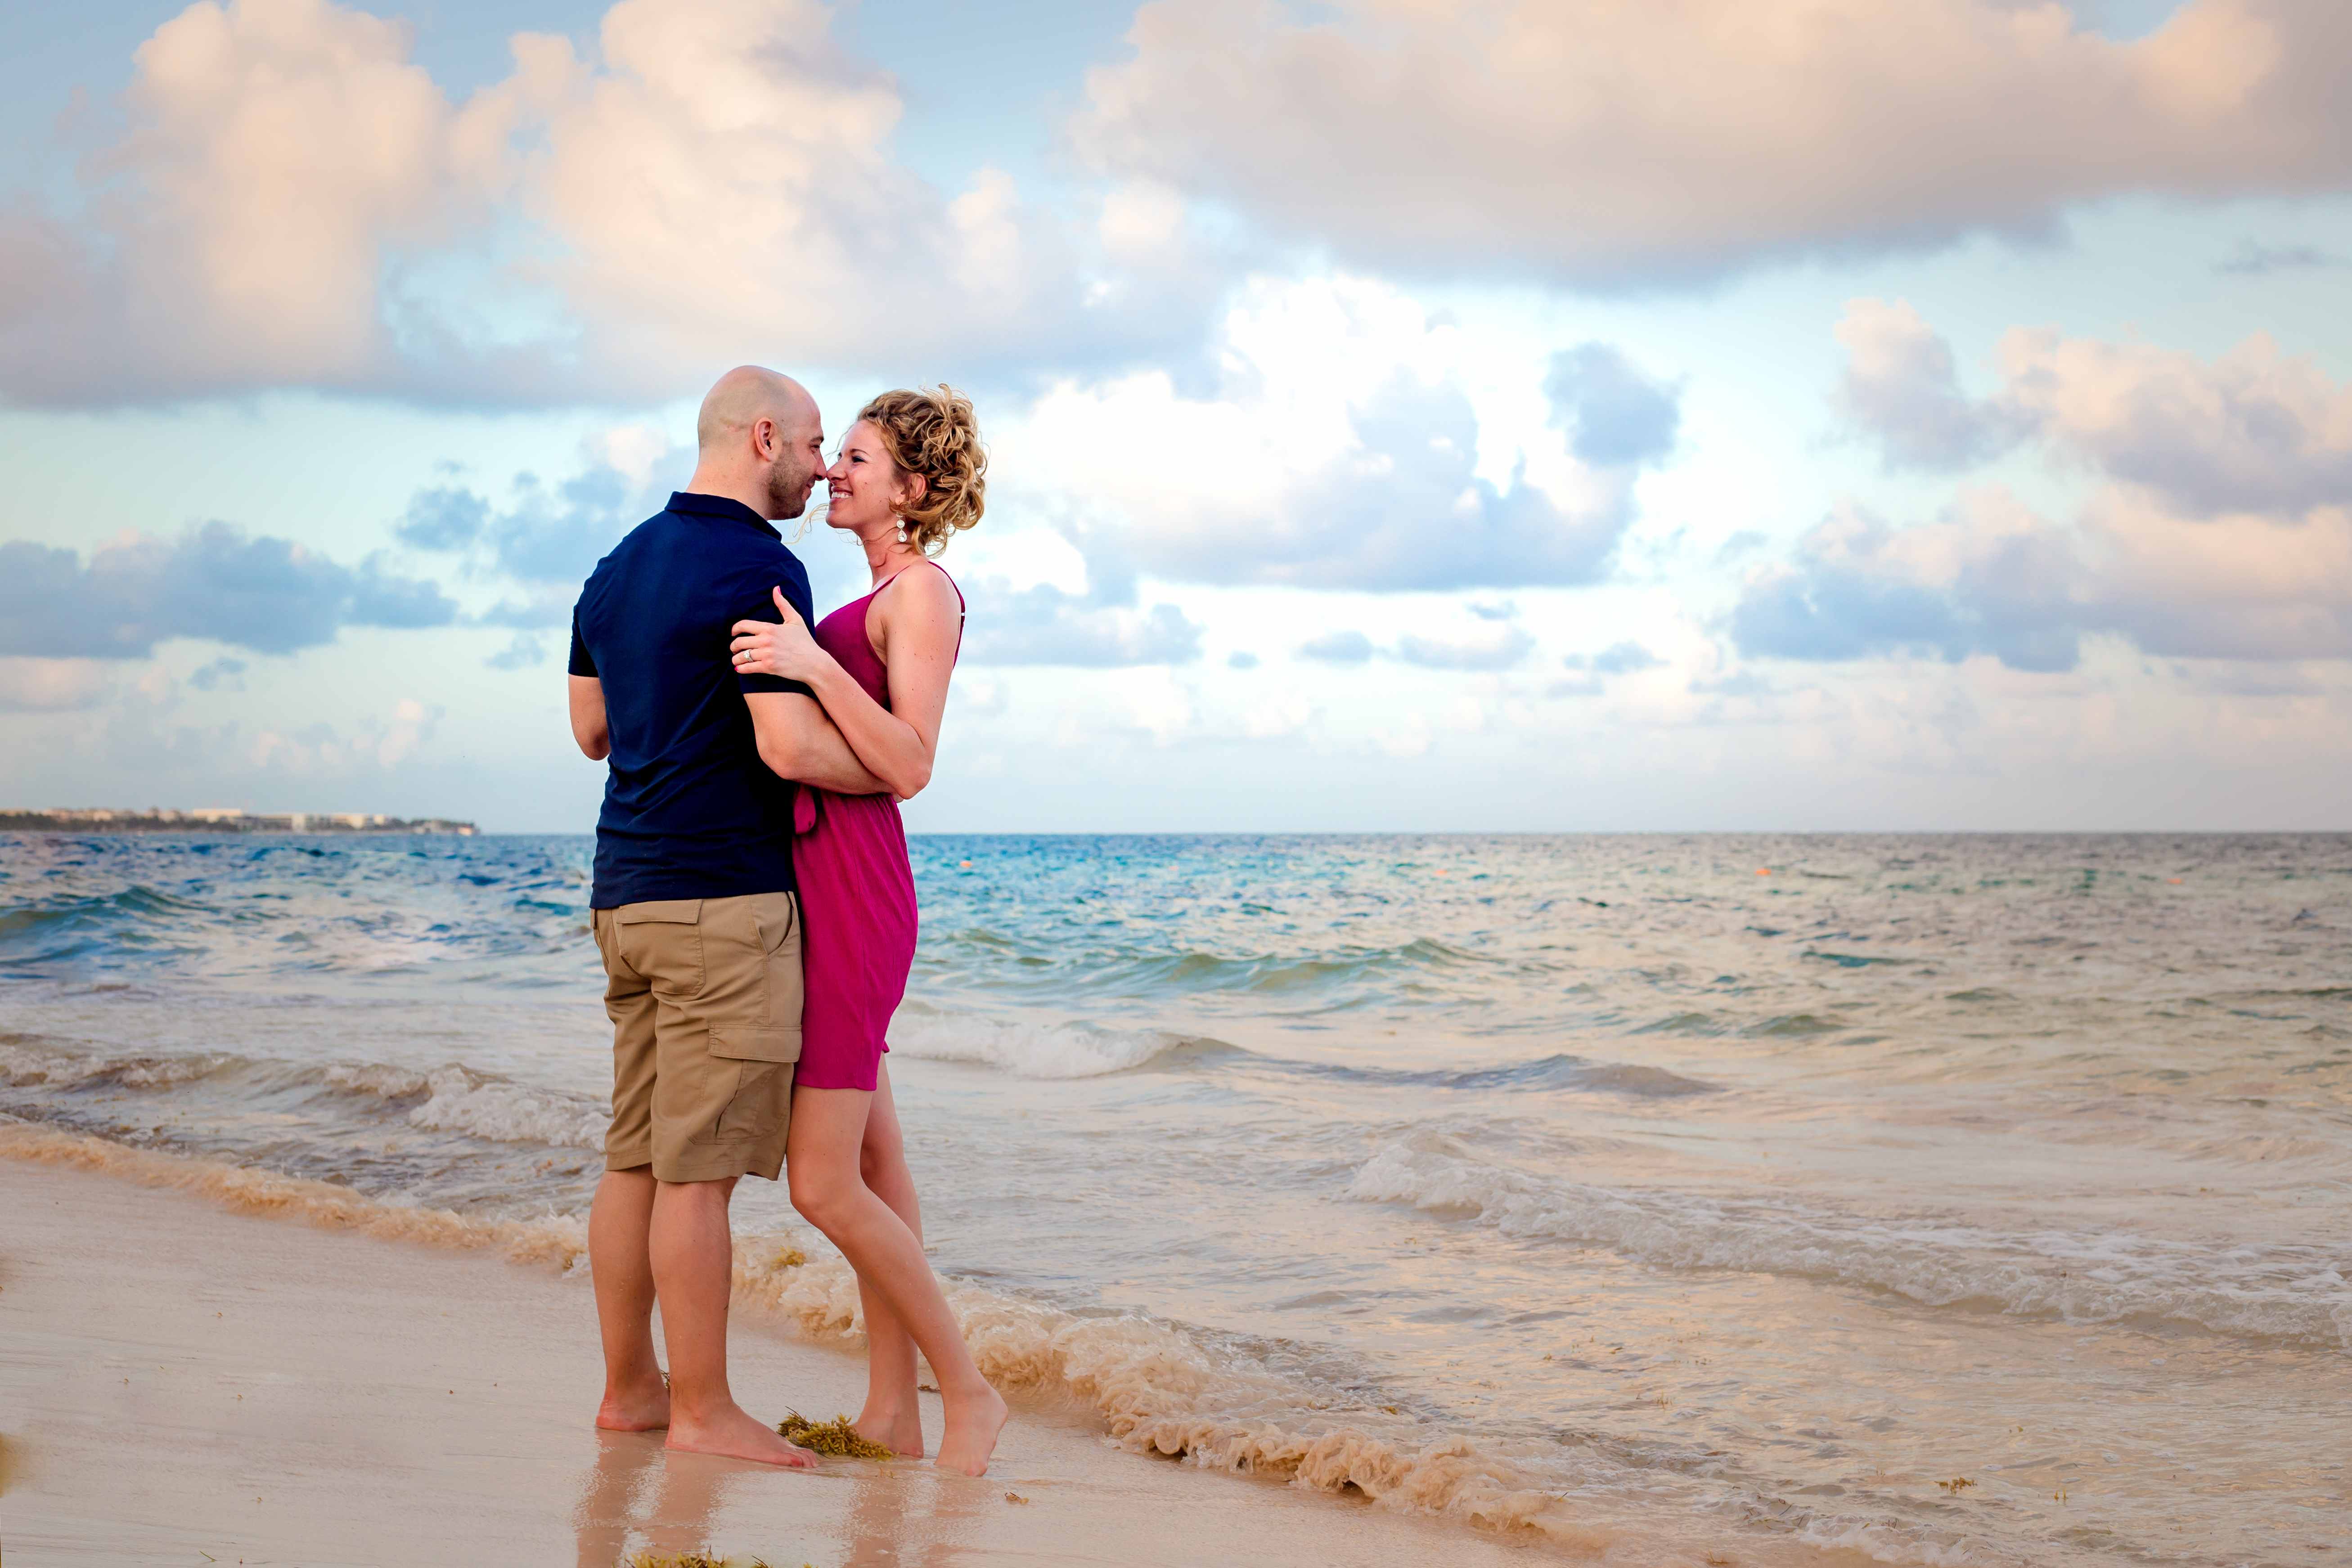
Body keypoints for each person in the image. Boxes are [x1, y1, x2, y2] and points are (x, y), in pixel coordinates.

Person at [567, 365, 890, 1469]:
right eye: (808, 445)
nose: (817, 466)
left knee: (635, 1161)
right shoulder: (760, 563)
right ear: (762, 436)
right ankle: (703, 1412)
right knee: (695, 1179)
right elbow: (789, 747)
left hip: (625, 896)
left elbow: (592, 731)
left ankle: (630, 1394)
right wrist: (894, 771)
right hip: (722, 904)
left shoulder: (614, 570)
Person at [727, 386, 1007, 1476]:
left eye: (855, 457)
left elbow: (911, 765)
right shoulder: (874, 592)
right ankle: (893, 1407)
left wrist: (807, 669)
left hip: (856, 897)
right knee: (879, 1165)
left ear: (914, 489)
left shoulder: (924, 593)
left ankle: (969, 1394)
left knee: (822, 1183)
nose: (832, 471)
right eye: (832, 453)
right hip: (821, 883)